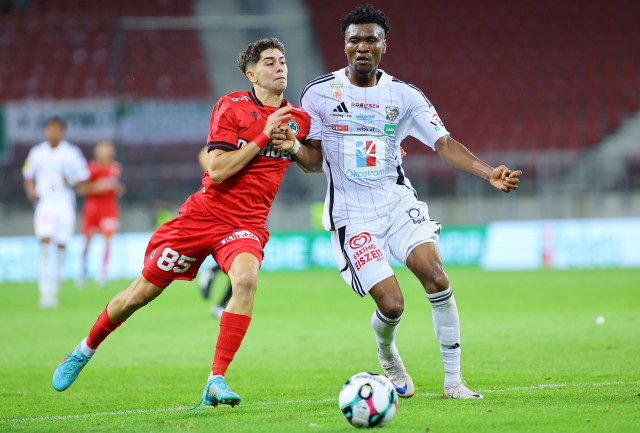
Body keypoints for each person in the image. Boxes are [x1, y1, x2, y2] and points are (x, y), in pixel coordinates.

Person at [273, 5, 521, 399]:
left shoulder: (404, 95)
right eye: (355, 40)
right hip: (352, 215)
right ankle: (387, 352)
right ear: (344, 45)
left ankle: (454, 382)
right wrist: (292, 148)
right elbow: (314, 161)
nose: (362, 47)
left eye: (371, 40)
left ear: (384, 45)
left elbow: (443, 143)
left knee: (437, 277)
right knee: (392, 305)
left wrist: (487, 171)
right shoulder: (318, 93)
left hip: (397, 203)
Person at [51, 38, 311, 409]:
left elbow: (315, 162)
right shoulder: (231, 106)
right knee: (139, 295)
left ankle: (216, 379)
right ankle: (83, 349)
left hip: (247, 223)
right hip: (202, 217)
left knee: (245, 280)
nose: (280, 67)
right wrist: (263, 135)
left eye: (282, 61)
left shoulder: (300, 118)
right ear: (252, 74)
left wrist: (295, 148)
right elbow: (217, 170)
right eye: (269, 62)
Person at [22, 117, 90, 309]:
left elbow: (83, 177)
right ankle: (44, 292)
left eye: (56, 129)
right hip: (45, 204)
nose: (52, 133)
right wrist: (31, 193)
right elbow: (28, 175)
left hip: (64, 204)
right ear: (46, 131)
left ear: (62, 132)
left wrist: (71, 179)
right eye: (49, 129)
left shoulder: (71, 153)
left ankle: (54, 289)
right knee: (45, 242)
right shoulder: (37, 152)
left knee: (61, 246)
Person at [77, 140, 125, 288]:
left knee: (108, 241)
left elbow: (115, 187)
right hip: (93, 208)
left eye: (108, 149)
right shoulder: (90, 168)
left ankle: (103, 274)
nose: (105, 152)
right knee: (88, 240)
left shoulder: (116, 167)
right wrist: (97, 187)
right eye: (103, 149)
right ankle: (82, 272)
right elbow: (81, 189)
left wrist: (118, 189)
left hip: (109, 208)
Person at [196, 146, 233, 319]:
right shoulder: (227, 143)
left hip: (247, 208)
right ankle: (222, 306)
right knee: (245, 263)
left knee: (243, 264)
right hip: (233, 210)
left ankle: (213, 270)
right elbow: (205, 157)